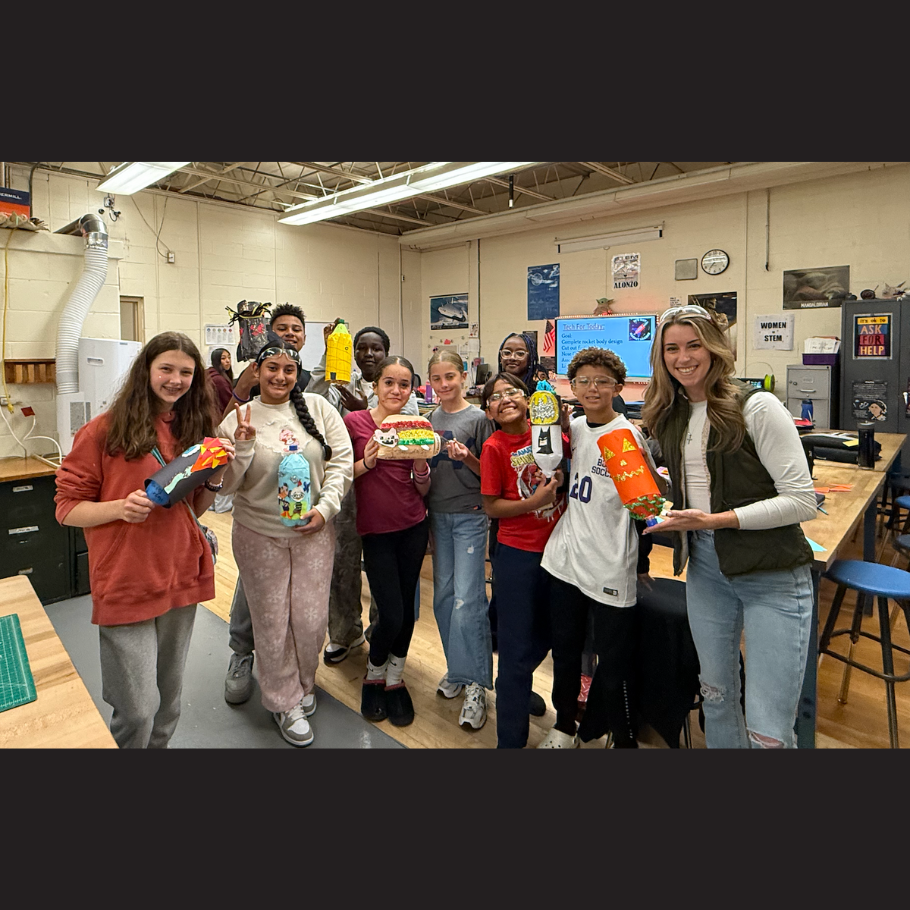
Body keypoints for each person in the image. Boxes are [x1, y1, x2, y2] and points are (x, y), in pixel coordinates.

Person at [642, 303, 817, 749]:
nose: (683, 357)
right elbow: (694, 486)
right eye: (672, 348)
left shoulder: (756, 406)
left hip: (771, 574)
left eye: (694, 345)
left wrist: (714, 519)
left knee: (768, 730)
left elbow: (801, 500)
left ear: (715, 347)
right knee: (716, 697)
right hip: (705, 566)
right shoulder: (672, 415)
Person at [54, 331, 229, 749]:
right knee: (136, 709)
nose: (175, 379)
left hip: (179, 575)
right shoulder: (103, 432)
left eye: (186, 372)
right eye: (166, 368)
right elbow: (65, 508)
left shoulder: (192, 428)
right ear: (145, 370)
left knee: (168, 704)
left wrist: (217, 475)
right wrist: (119, 508)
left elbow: (192, 511)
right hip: (126, 581)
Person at [217, 341, 353, 746]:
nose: (280, 376)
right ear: (256, 371)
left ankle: (303, 683)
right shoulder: (238, 418)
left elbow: (342, 462)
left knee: (310, 620)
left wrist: (326, 509)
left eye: (288, 369)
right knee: (272, 621)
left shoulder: (318, 408)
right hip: (259, 534)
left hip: (314, 532)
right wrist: (242, 447)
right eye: (271, 368)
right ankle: (282, 700)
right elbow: (226, 488)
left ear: (297, 373)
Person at [538, 347, 665, 749]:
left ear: (618, 387)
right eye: (584, 381)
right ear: (572, 387)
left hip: (610, 562)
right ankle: (564, 726)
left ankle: (614, 731)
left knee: (613, 660)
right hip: (566, 560)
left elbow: (646, 510)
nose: (592, 388)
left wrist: (641, 561)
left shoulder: (625, 436)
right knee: (566, 651)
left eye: (602, 381)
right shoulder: (573, 427)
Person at [307, 322, 419, 665]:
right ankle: (344, 632)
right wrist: (329, 359)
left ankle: (380, 632)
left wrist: (363, 408)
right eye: (361, 348)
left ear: (386, 353)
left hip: (385, 494)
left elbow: (409, 435)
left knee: (386, 575)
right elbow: (311, 403)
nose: (368, 354)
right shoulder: (337, 377)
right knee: (342, 564)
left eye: (376, 349)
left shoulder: (399, 387)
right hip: (345, 489)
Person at [221, 303, 313, 704]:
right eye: (282, 328)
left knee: (297, 602)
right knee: (253, 591)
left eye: (296, 329)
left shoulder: (308, 379)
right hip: (259, 513)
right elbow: (228, 424)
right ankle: (242, 653)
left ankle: (290, 669)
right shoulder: (254, 375)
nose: (289, 334)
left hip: (302, 510)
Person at [480, 371, 568, 748]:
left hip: (562, 553)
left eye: (513, 391)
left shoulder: (551, 433)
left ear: (530, 397)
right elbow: (491, 507)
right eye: (496, 397)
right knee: (515, 647)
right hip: (518, 556)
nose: (506, 399)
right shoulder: (495, 448)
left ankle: (513, 681)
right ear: (489, 412)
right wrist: (534, 503)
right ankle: (510, 740)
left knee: (551, 635)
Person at [344, 356, 430, 727]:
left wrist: (423, 468)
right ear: (375, 385)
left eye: (404, 384)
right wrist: (366, 463)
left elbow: (423, 488)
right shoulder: (355, 422)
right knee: (390, 611)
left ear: (412, 389)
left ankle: (394, 678)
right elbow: (339, 474)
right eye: (389, 383)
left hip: (413, 526)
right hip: (375, 530)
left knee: (407, 612)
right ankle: (373, 674)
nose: (396, 390)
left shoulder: (415, 426)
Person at [425, 350, 494, 729]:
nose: (444, 384)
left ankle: (478, 685)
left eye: (450, 376)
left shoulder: (479, 419)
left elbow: (491, 474)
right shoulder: (426, 420)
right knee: (444, 598)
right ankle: (458, 670)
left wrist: (467, 457)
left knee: (469, 602)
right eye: (437, 378)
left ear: (463, 376)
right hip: (439, 517)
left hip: (470, 516)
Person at [207, 347, 235, 414]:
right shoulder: (219, 380)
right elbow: (229, 403)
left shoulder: (209, 373)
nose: (227, 360)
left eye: (229, 357)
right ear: (216, 360)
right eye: (223, 358)